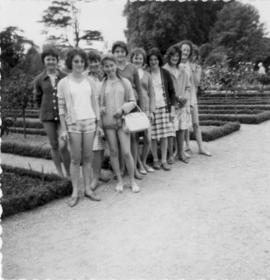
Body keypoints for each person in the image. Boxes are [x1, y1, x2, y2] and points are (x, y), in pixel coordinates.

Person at [57, 48, 101, 207]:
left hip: (90, 123)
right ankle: (75, 191)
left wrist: (98, 123)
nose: (79, 64)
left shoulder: (90, 81)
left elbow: (95, 104)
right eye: (76, 61)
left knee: (88, 158)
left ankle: (88, 189)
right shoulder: (63, 83)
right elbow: (61, 109)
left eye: (82, 61)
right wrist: (63, 129)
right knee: (75, 159)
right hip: (74, 125)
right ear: (71, 62)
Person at [99, 54, 140, 193]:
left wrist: (123, 109)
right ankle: (120, 181)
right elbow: (98, 105)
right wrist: (101, 108)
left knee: (127, 152)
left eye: (111, 65)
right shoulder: (101, 85)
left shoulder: (125, 82)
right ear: (103, 68)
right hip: (108, 123)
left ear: (116, 65)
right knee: (114, 152)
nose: (109, 68)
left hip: (123, 122)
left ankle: (132, 181)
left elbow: (133, 101)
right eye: (106, 66)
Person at [34, 47, 70, 177]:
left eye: (53, 59)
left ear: (57, 61)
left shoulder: (65, 77)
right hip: (47, 116)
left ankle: (69, 173)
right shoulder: (39, 79)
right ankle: (60, 173)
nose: (51, 62)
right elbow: (37, 97)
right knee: (54, 145)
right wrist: (44, 109)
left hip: (63, 116)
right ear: (44, 61)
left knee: (63, 145)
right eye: (48, 59)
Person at [112, 41, 144, 180]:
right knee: (120, 140)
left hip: (132, 106)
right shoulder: (111, 67)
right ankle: (122, 168)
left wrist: (142, 108)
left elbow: (139, 88)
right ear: (114, 53)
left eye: (122, 51)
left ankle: (135, 168)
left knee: (134, 139)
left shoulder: (132, 68)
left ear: (126, 53)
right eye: (117, 51)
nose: (120, 54)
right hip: (118, 107)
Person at [178, 40, 211, 157]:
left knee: (196, 124)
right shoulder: (176, 64)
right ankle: (183, 148)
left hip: (191, 98)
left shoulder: (193, 66)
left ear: (190, 52)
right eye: (184, 49)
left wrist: (195, 70)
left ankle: (201, 147)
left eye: (187, 50)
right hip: (180, 99)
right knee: (182, 125)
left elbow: (196, 84)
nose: (185, 52)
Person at [147, 47, 176, 171]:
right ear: (148, 61)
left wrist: (172, 110)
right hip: (151, 109)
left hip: (164, 107)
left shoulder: (165, 73)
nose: (154, 62)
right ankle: (155, 160)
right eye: (151, 59)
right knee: (152, 136)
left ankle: (164, 160)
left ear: (159, 60)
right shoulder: (146, 73)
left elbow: (172, 92)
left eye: (156, 59)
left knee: (164, 135)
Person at [163, 45, 191, 163]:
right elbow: (163, 89)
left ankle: (181, 153)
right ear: (168, 56)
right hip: (171, 105)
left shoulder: (182, 70)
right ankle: (170, 155)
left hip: (182, 104)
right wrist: (176, 98)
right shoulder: (164, 70)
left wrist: (185, 96)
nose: (175, 58)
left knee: (182, 129)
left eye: (177, 56)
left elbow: (188, 87)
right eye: (172, 55)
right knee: (171, 131)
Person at [130, 47, 155, 174]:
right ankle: (138, 164)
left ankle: (144, 162)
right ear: (132, 58)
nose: (138, 60)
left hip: (145, 109)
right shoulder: (129, 73)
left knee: (148, 138)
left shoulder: (147, 75)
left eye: (140, 58)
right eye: (136, 58)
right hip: (133, 109)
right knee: (134, 139)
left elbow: (152, 94)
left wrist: (151, 111)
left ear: (143, 60)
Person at [87, 50, 109, 190]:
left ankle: (99, 173)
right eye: (91, 61)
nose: (94, 64)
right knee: (95, 148)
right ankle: (94, 178)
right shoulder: (84, 77)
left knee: (102, 147)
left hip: (107, 114)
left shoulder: (105, 76)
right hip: (92, 116)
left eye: (96, 61)